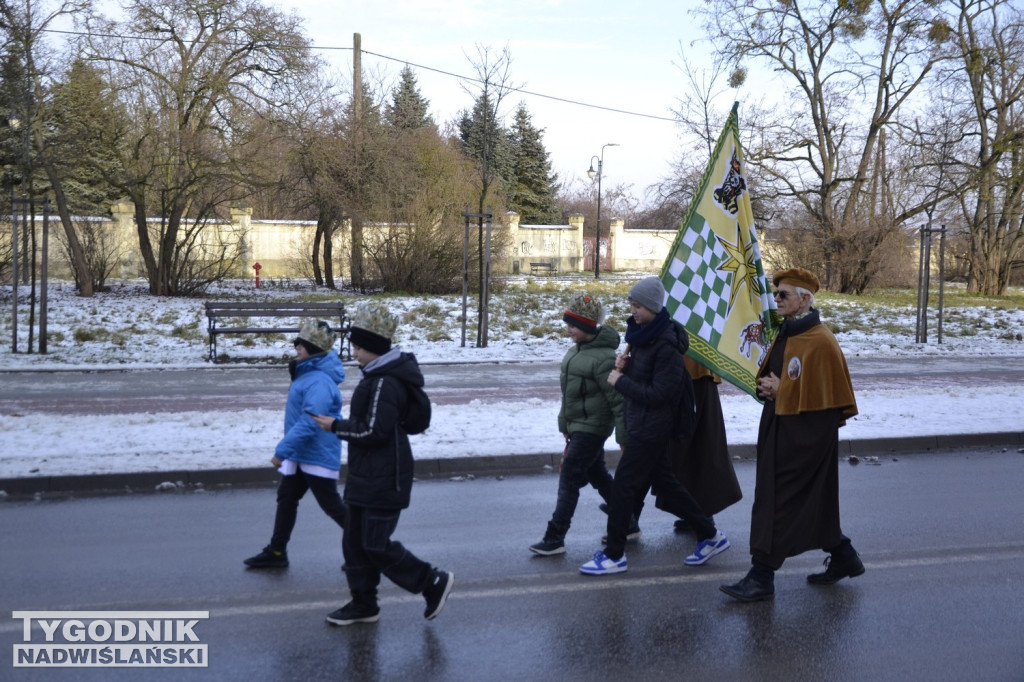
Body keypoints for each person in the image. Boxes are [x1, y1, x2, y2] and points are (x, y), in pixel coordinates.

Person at [720, 267, 862, 603]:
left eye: (783, 294)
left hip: (805, 439)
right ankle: (843, 556)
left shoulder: (821, 341)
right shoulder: (788, 333)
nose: (777, 300)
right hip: (779, 428)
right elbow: (779, 378)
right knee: (809, 505)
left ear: (804, 300)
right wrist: (768, 387)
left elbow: (828, 402)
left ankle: (761, 577)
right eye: (776, 293)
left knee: (777, 503)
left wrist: (782, 391)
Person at [313, 302, 453, 625]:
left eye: (359, 348)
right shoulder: (375, 377)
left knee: (374, 545)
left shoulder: (383, 383)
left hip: (385, 479)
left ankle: (432, 581)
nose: (355, 354)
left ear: (374, 349)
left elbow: (372, 431)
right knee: (354, 543)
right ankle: (363, 603)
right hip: (368, 476)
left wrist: (335, 426)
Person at [580, 276, 729, 576]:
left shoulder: (666, 347)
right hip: (641, 424)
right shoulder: (641, 336)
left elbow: (660, 395)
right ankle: (710, 535)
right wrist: (628, 368)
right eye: (632, 305)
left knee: (622, 487)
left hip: (653, 428)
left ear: (653, 307)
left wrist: (622, 381)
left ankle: (614, 555)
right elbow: (646, 379)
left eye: (639, 306)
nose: (634, 311)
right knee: (666, 485)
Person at [529, 294, 631, 556]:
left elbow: (617, 401)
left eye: (574, 324)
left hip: (594, 427)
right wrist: (565, 423)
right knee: (598, 475)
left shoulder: (604, 359)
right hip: (578, 426)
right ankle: (628, 523)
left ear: (588, 326)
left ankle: (555, 537)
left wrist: (623, 436)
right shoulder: (576, 351)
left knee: (569, 477)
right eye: (568, 323)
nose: (569, 329)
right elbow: (571, 393)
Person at [243, 320, 346, 569]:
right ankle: (277, 551)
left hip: (315, 453)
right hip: (303, 453)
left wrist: (282, 452)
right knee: (287, 497)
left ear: (314, 349)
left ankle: (370, 547)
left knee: (332, 506)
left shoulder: (319, 381)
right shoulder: (308, 374)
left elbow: (311, 422)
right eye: (297, 343)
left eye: (302, 344)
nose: (297, 347)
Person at [668, 355, 742, 532]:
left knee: (698, 448)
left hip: (694, 374)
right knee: (686, 452)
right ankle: (694, 513)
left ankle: (701, 515)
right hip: (686, 373)